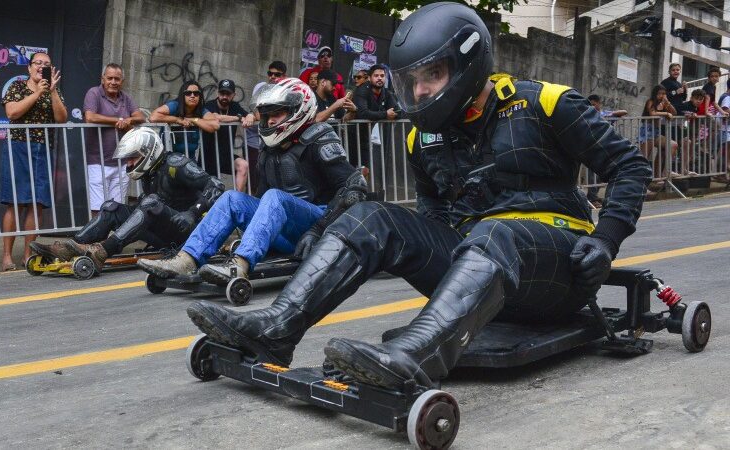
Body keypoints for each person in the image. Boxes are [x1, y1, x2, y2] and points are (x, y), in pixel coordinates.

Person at [185, 2, 651, 390]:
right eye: (413, 80)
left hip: (559, 270)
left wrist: (607, 238)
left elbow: (630, 165)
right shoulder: (420, 140)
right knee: (369, 216)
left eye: (433, 75)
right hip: (481, 263)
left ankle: (413, 357)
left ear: (467, 64)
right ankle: (276, 327)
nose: (420, 90)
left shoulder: (545, 103)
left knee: (494, 232)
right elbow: (432, 219)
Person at [138, 78, 367, 285]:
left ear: (298, 111)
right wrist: (251, 233)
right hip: (287, 233)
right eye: (266, 114)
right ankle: (186, 259)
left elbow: (354, 187)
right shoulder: (269, 149)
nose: (269, 120)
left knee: (275, 197)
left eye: (277, 113)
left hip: (317, 229)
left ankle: (239, 265)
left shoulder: (319, 138)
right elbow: (260, 201)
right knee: (231, 197)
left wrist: (318, 230)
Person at [30, 127, 224, 271]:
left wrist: (193, 212)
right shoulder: (150, 172)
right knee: (110, 207)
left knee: (150, 203)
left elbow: (216, 185)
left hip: (185, 232)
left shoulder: (176, 164)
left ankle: (103, 251)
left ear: (149, 152)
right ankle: (71, 246)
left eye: (133, 157)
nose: (129, 162)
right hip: (162, 231)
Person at [0, 51, 67, 271]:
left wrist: (52, 91)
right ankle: (7, 256)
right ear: (29, 68)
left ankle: (28, 255)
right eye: (38, 63)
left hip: (42, 150)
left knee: (37, 204)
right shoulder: (17, 87)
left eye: (46, 64)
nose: (41, 67)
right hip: (17, 148)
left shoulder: (53, 91)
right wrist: (37, 93)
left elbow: (61, 118)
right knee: (15, 202)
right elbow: (13, 113)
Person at [83, 63, 146, 214]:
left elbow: (140, 116)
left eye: (117, 79)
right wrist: (119, 120)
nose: (113, 82)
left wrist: (129, 121)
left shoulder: (126, 98)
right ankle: (96, 237)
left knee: (115, 208)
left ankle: (110, 238)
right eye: (109, 78)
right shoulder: (94, 93)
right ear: (103, 79)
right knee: (97, 208)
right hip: (98, 160)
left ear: (122, 81)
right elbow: (90, 117)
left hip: (121, 162)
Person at [202, 79, 254, 192]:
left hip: (226, 156)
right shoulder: (209, 105)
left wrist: (250, 116)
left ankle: (236, 200)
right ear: (217, 93)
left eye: (228, 94)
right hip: (208, 157)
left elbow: (249, 115)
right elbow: (214, 117)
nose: (224, 97)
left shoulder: (235, 106)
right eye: (222, 93)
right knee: (212, 189)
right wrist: (238, 118)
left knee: (243, 165)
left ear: (234, 95)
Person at [149, 80, 220, 160]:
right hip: (167, 158)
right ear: (183, 95)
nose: (192, 96)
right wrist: (177, 120)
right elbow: (153, 117)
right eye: (188, 93)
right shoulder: (175, 105)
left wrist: (193, 119)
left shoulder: (201, 110)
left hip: (189, 159)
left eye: (196, 93)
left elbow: (215, 125)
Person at [247, 61, 288, 191]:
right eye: (270, 73)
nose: (272, 77)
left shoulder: (287, 91)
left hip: (278, 141)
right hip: (259, 141)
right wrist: (252, 115)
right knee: (256, 180)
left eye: (277, 74)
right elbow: (257, 113)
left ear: (284, 76)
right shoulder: (262, 87)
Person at [639, 85, 678, 177]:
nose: (661, 96)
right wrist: (666, 113)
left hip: (656, 132)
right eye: (659, 93)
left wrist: (667, 102)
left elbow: (674, 113)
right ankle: (640, 181)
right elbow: (652, 113)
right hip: (647, 132)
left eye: (663, 93)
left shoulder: (664, 103)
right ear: (655, 94)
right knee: (644, 158)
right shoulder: (651, 101)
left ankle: (665, 173)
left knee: (673, 145)